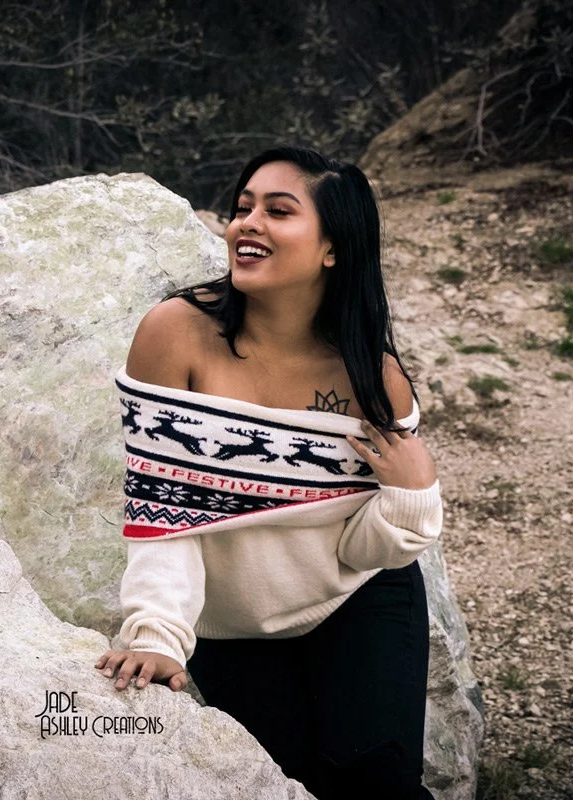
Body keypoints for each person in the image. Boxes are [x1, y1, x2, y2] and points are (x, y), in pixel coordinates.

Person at [95, 146, 442, 800]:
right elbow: (164, 513)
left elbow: (365, 547)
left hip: (356, 598)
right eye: (242, 207)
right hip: (234, 628)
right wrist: (157, 636)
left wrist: (412, 495)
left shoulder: (375, 379)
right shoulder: (176, 335)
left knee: (377, 780)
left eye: (278, 211)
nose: (246, 223)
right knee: (286, 786)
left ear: (333, 249)